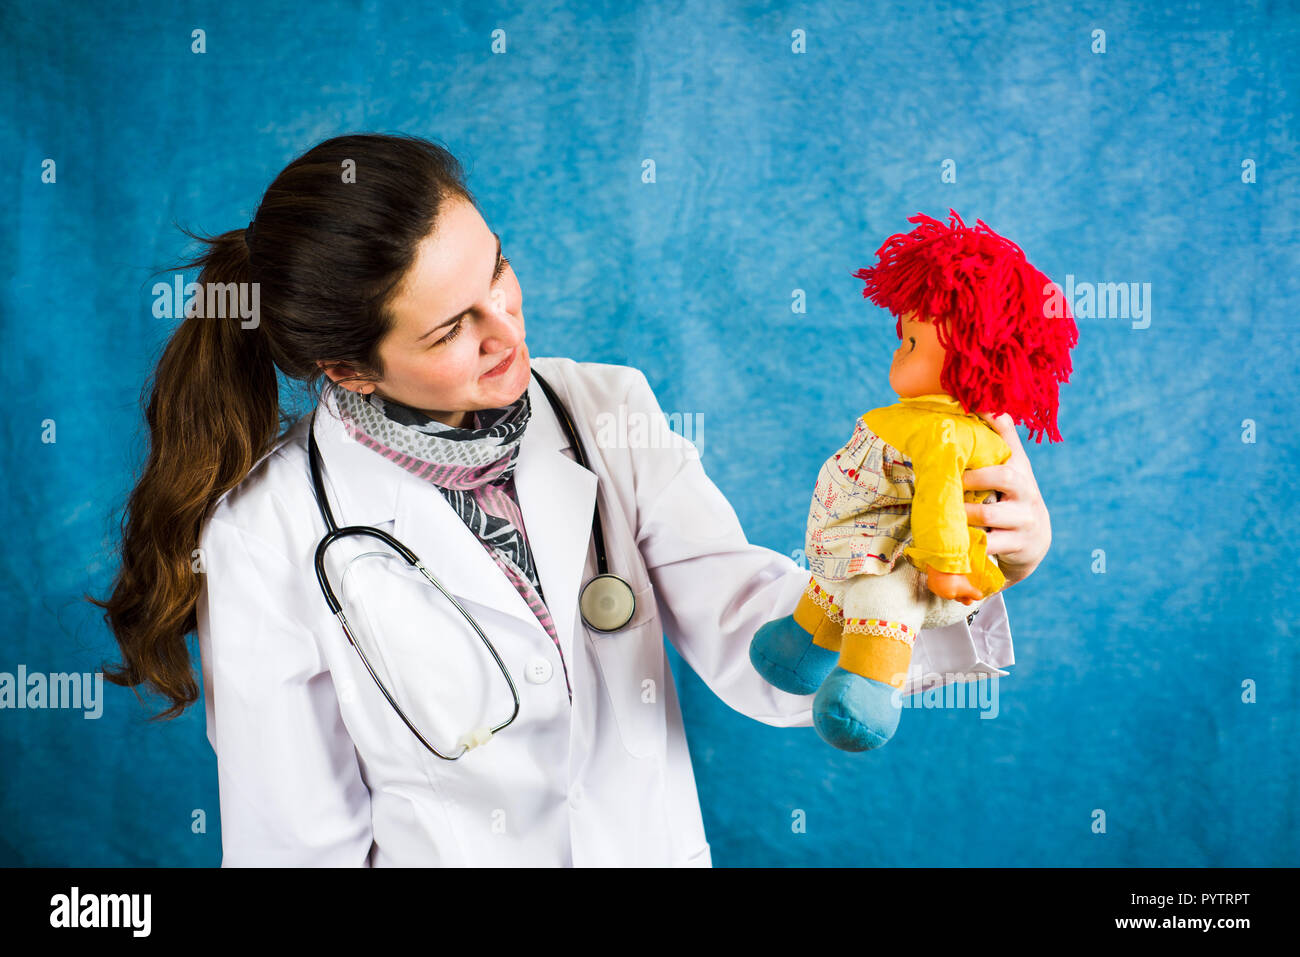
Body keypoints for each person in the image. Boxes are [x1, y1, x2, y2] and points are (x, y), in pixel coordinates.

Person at [93, 132, 1053, 867]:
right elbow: (293, 848)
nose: (505, 326)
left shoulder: (608, 410)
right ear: (349, 367)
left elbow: (761, 645)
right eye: (450, 329)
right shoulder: (265, 536)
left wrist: (969, 563)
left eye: (498, 271)